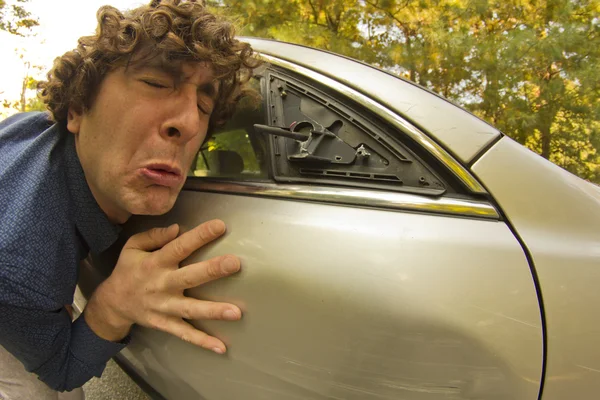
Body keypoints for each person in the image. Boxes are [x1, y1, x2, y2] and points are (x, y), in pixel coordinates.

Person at [0, 0, 259, 398]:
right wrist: (113, 307)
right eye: (156, 83)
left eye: (204, 105)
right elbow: (60, 369)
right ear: (76, 110)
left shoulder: (33, 129)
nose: (190, 123)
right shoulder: (19, 264)